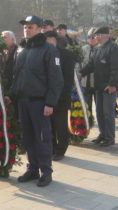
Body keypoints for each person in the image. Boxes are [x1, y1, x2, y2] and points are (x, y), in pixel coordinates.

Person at [13, 15, 63, 187]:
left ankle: (46, 171)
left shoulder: (49, 49)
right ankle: (32, 168)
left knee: (42, 138)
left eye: (31, 26)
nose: (27, 29)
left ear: (40, 28)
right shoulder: (23, 50)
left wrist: (50, 102)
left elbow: (56, 79)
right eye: (25, 27)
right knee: (28, 138)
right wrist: (11, 95)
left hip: (40, 102)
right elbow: (18, 76)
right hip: (23, 102)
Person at [80, 26, 118, 147]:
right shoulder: (98, 49)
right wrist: (81, 73)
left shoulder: (113, 48)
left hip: (109, 87)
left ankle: (110, 137)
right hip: (99, 86)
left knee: (108, 113)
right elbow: (91, 65)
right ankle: (102, 134)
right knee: (99, 112)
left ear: (106, 35)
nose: (96, 37)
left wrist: (113, 84)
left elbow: (116, 68)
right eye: (95, 35)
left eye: (98, 35)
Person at [44, 30, 75, 161]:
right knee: (49, 125)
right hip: (47, 96)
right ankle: (51, 148)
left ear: (54, 40)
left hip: (61, 97)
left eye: (48, 39)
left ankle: (61, 149)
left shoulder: (66, 55)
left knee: (60, 125)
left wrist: (61, 95)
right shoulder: (44, 54)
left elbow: (68, 79)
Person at [81, 27, 98, 114]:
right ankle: (89, 121)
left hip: (97, 82)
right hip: (85, 82)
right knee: (87, 105)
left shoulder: (101, 49)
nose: (91, 39)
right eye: (89, 37)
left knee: (99, 105)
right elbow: (80, 64)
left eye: (93, 37)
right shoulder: (83, 49)